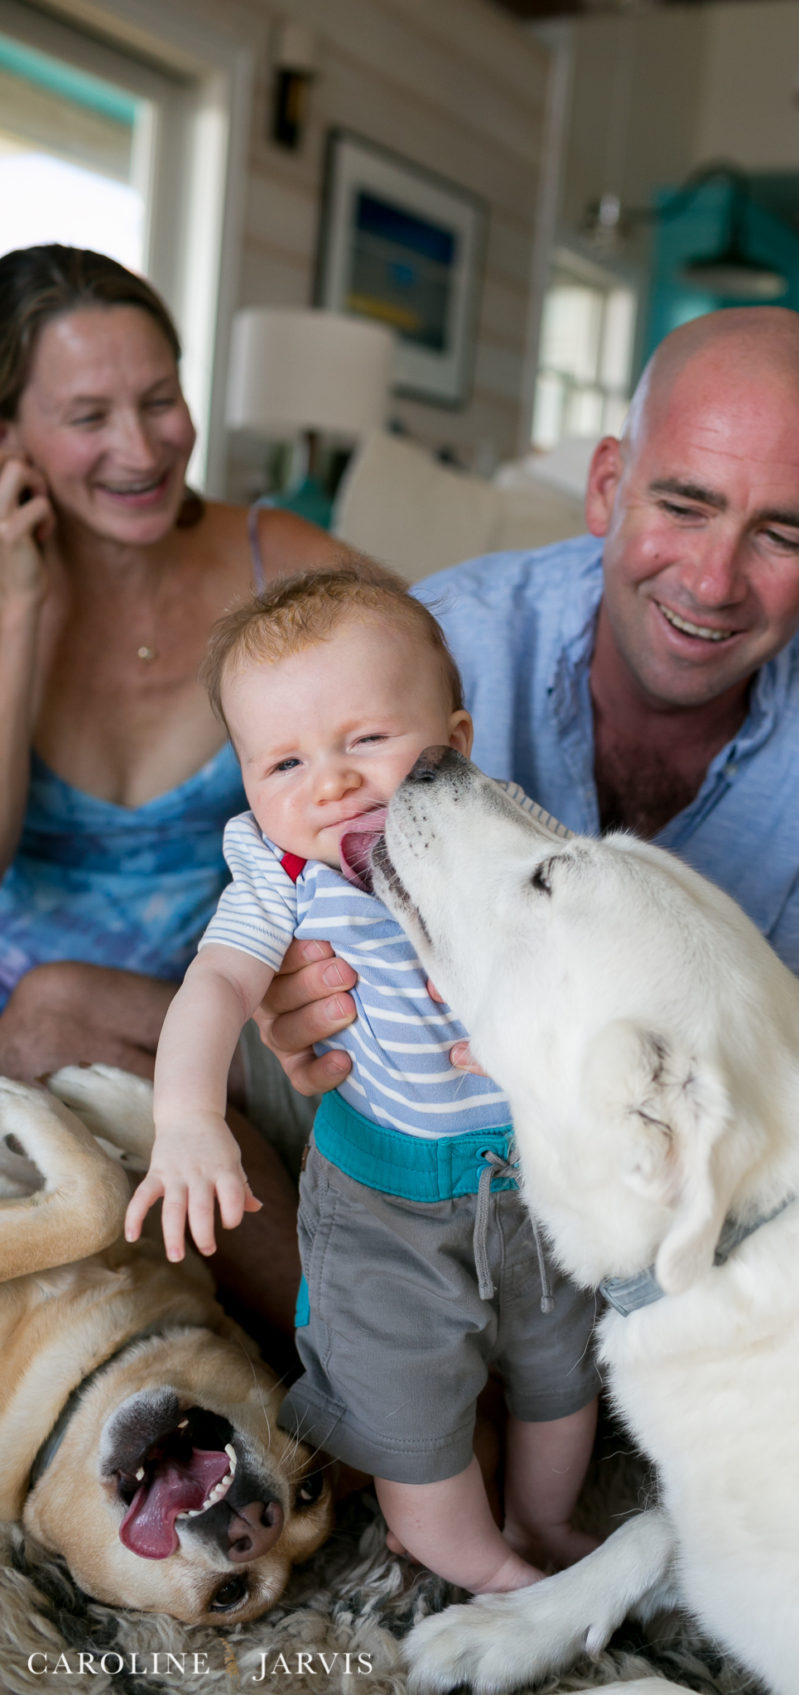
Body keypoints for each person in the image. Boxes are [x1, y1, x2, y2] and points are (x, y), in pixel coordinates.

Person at [252, 306, 799, 1111]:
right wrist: (298, 994)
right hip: (411, 1113)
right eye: (685, 507)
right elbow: (294, 878)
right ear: (606, 487)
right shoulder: (442, 642)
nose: (712, 582)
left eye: (782, 536)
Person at [124, 564, 601, 1595]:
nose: (328, 785)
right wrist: (186, 1118)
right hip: (383, 1206)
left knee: (559, 1371)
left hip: (538, 1179)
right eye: (282, 761)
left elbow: (592, 947)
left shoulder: (505, 831)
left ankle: (546, 1522)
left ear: (456, 747)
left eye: (367, 741)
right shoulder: (280, 874)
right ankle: (467, 1554)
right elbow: (211, 986)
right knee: (403, 1395)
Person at [0, 244, 351, 1343]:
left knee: (67, 1012)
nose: (142, 447)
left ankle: (365, 1371)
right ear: (7, 436)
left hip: (226, 1018)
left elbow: (422, 732)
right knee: (46, 1025)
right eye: (89, 415)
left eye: (161, 400)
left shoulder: (271, 563)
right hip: (24, 1044)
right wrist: (16, 610)